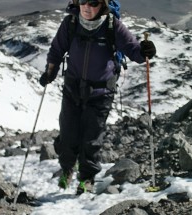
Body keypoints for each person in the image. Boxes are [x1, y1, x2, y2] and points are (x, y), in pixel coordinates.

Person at [39, 0, 156, 195]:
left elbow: (133, 49)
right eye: (82, 1)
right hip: (72, 90)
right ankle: (67, 169)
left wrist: (144, 51)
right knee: (68, 134)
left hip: (101, 94)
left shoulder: (112, 25)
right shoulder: (70, 23)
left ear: (102, 5)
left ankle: (86, 178)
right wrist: (50, 72)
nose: (86, 6)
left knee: (92, 138)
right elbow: (57, 50)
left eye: (93, 2)